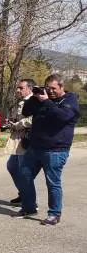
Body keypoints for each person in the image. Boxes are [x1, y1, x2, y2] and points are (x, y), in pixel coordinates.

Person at [19, 74, 80, 225]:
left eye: (54, 88)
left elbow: (63, 117)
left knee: (52, 182)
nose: (50, 91)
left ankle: (54, 214)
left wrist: (46, 101)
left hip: (56, 150)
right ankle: (29, 207)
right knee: (24, 175)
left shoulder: (69, 100)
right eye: (48, 88)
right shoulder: (41, 99)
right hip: (35, 147)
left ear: (61, 87)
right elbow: (26, 112)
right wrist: (34, 96)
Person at [2, 79, 34, 205]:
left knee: (23, 170)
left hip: (26, 139)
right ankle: (23, 193)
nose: (18, 90)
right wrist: (12, 121)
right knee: (12, 166)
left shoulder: (33, 101)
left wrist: (17, 124)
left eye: (21, 88)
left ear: (29, 88)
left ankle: (29, 201)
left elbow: (32, 119)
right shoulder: (21, 101)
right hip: (18, 138)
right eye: (18, 88)